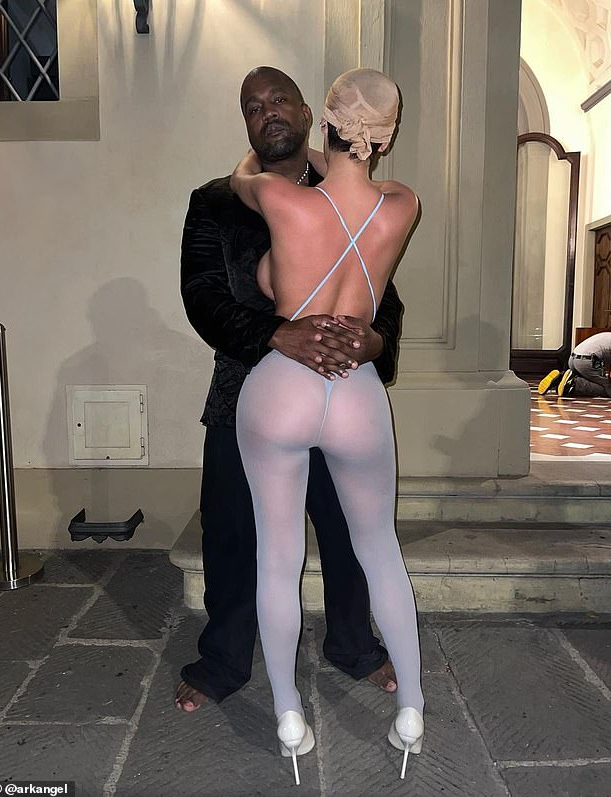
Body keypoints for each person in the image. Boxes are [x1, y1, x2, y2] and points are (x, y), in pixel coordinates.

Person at [176, 67, 405, 714]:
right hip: (242, 394)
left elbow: (385, 295)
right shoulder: (215, 200)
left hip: (341, 389)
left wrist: (375, 342)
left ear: (309, 115)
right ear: (246, 124)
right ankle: (223, 661)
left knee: (351, 531)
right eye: (253, 106)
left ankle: (354, 646)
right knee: (231, 536)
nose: (267, 111)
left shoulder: (349, 191)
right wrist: (278, 336)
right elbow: (201, 296)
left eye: (279, 99)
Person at [231, 67, 423, 784]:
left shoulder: (279, 197)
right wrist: (354, 146)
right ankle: (412, 708)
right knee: (381, 550)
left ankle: (288, 713)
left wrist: (302, 153)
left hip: (283, 386)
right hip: (355, 391)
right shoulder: (402, 205)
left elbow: (244, 173)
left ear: (327, 123)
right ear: (386, 137)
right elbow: (361, 182)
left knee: (278, 559)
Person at [538, 331, 611, 398]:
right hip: (586, 361)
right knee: (610, 390)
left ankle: (560, 378)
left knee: (593, 379)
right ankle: (574, 384)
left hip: (572, 359)